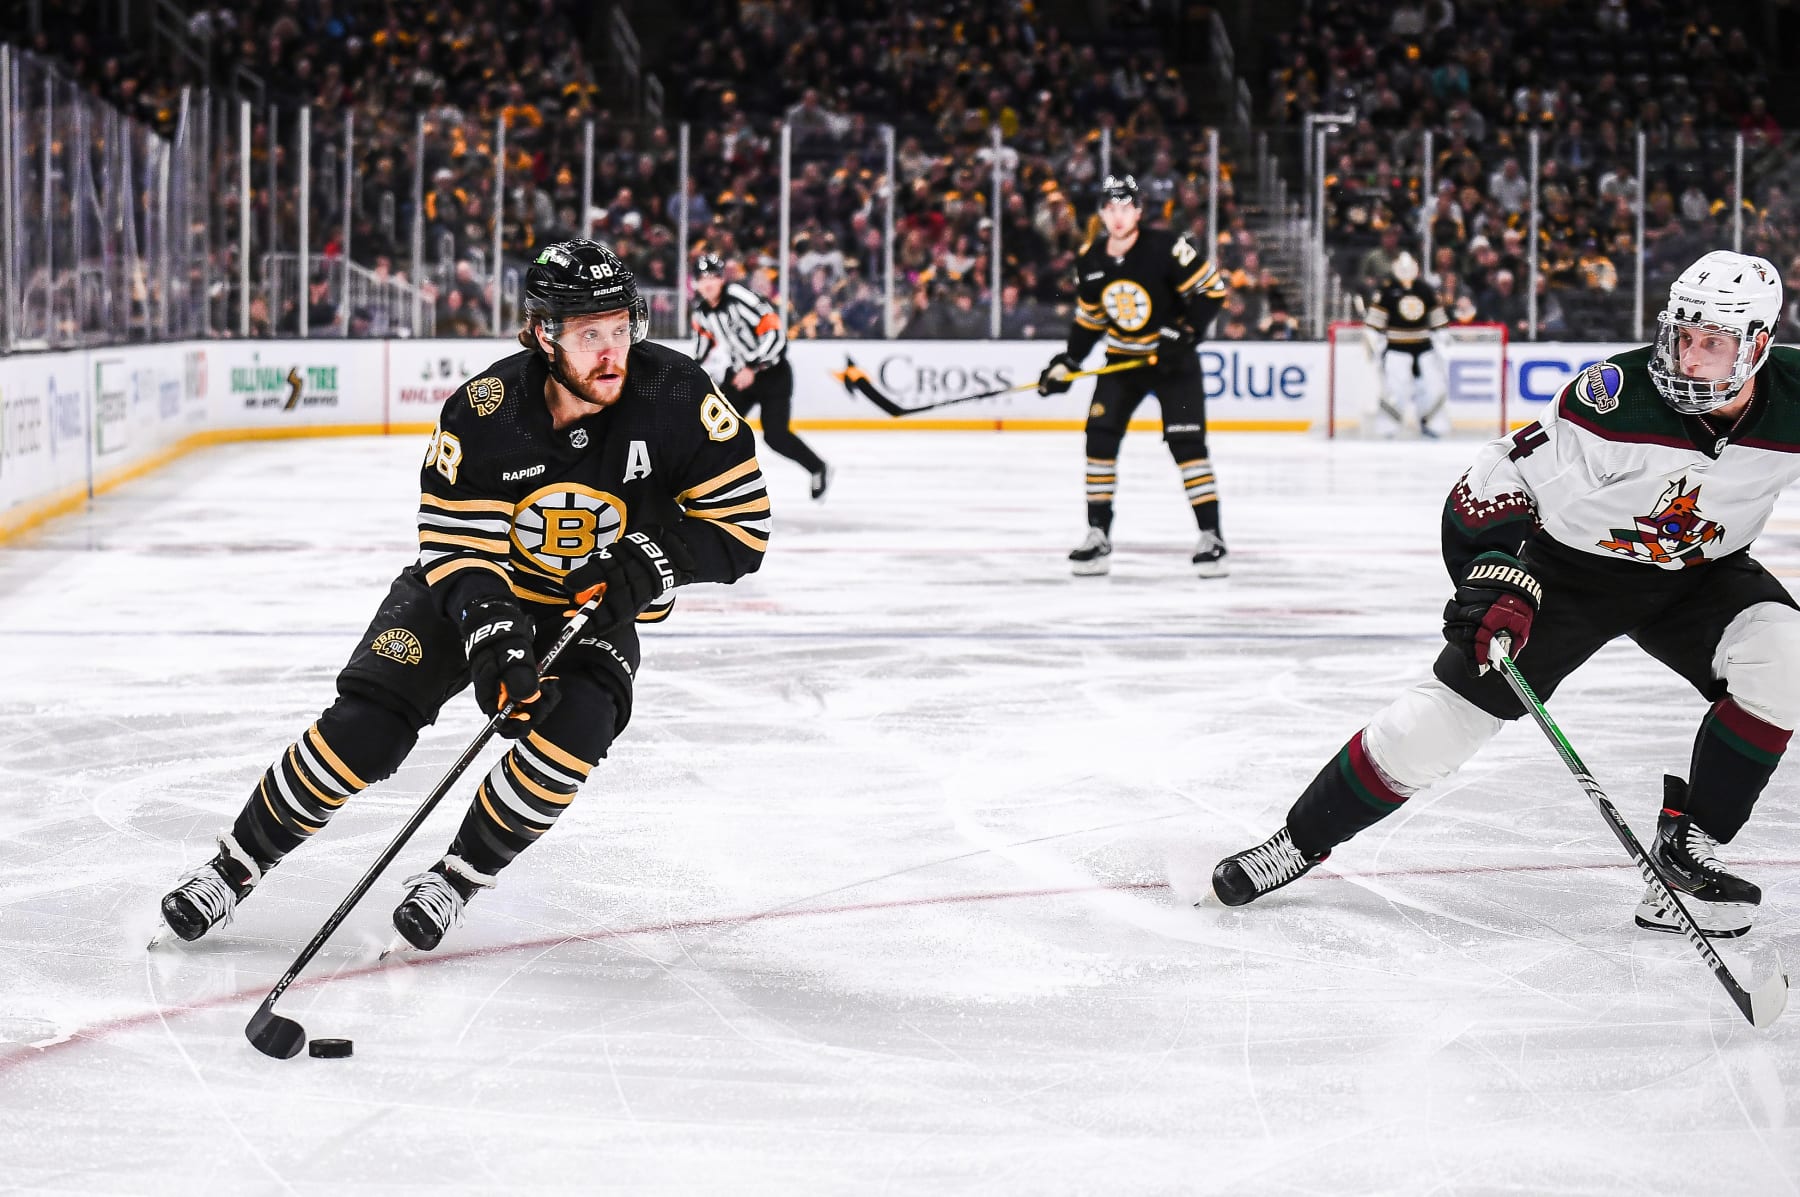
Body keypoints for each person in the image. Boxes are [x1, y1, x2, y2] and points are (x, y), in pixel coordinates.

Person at [158, 239, 770, 951]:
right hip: (470, 592)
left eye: (620, 328)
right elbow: (459, 551)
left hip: (589, 609)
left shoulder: (676, 393)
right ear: (542, 334)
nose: (613, 353)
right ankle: (234, 865)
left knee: (574, 733)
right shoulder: (486, 411)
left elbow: (742, 528)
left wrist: (649, 564)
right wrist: (494, 635)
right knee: (366, 729)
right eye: (589, 334)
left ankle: (457, 878)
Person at [1211, 251, 1800, 942]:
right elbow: (1494, 477)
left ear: (1758, 345)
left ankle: (1685, 856)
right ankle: (1296, 842)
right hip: (1572, 574)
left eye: (1713, 343)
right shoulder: (1615, 398)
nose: (1689, 357)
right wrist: (1494, 571)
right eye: (1683, 336)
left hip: (1704, 576)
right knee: (1435, 727)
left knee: (1785, 659)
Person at [1037, 174, 1230, 577]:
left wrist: (1186, 331)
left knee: (1187, 445)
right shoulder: (1091, 261)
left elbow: (1212, 290)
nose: (1119, 216)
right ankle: (1097, 534)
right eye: (1111, 208)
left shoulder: (1165, 247)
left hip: (1173, 366)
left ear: (1139, 211)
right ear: (1102, 213)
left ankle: (1211, 536)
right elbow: (1090, 321)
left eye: (1126, 207)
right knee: (1099, 439)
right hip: (1123, 364)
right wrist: (1068, 362)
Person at [690, 253, 831, 500]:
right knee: (715, 430)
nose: (708, 283)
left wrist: (753, 367)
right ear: (696, 283)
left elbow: (777, 336)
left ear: (722, 279)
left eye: (713, 277)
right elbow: (702, 351)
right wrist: (685, 374)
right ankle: (711, 488)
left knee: (776, 436)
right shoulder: (702, 313)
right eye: (703, 278)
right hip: (741, 377)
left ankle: (817, 467)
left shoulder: (740, 297)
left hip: (773, 374)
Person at [1364, 251, 1452, 438]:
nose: (1406, 271)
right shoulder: (1387, 290)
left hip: (1424, 347)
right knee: (1394, 390)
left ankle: (1432, 424)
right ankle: (1388, 428)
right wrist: (1372, 344)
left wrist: (1443, 339)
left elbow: (1437, 320)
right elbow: (1374, 323)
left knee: (1431, 387)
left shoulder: (1425, 289)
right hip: (1396, 347)